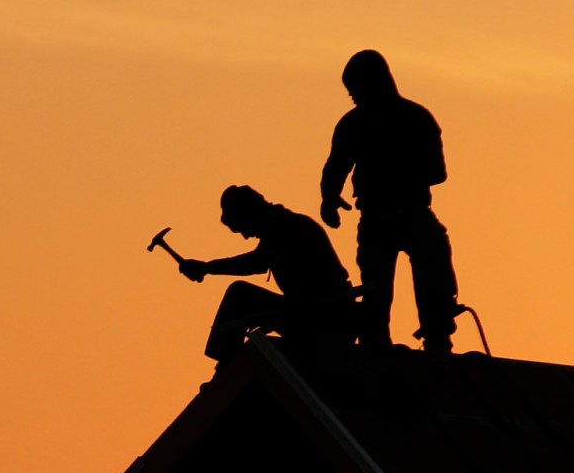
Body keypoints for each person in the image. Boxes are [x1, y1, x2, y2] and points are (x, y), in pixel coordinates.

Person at [319, 49, 459, 354]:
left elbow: (438, 172)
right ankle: (375, 343)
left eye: (356, 88)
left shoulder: (415, 118)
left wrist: (394, 171)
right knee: (375, 287)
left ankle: (437, 336)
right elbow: (336, 166)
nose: (354, 96)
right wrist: (329, 198)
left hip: (412, 213)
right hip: (375, 218)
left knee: (433, 263)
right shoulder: (352, 125)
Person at [178, 185, 355, 362]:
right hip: (314, 312)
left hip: (325, 318)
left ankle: (226, 363)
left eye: (242, 228)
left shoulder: (289, 229)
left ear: (250, 215)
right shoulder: (282, 227)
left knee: (239, 294)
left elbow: (257, 264)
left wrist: (207, 268)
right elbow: (256, 262)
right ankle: (226, 363)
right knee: (241, 295)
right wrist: (207, 268)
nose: (246, 236)